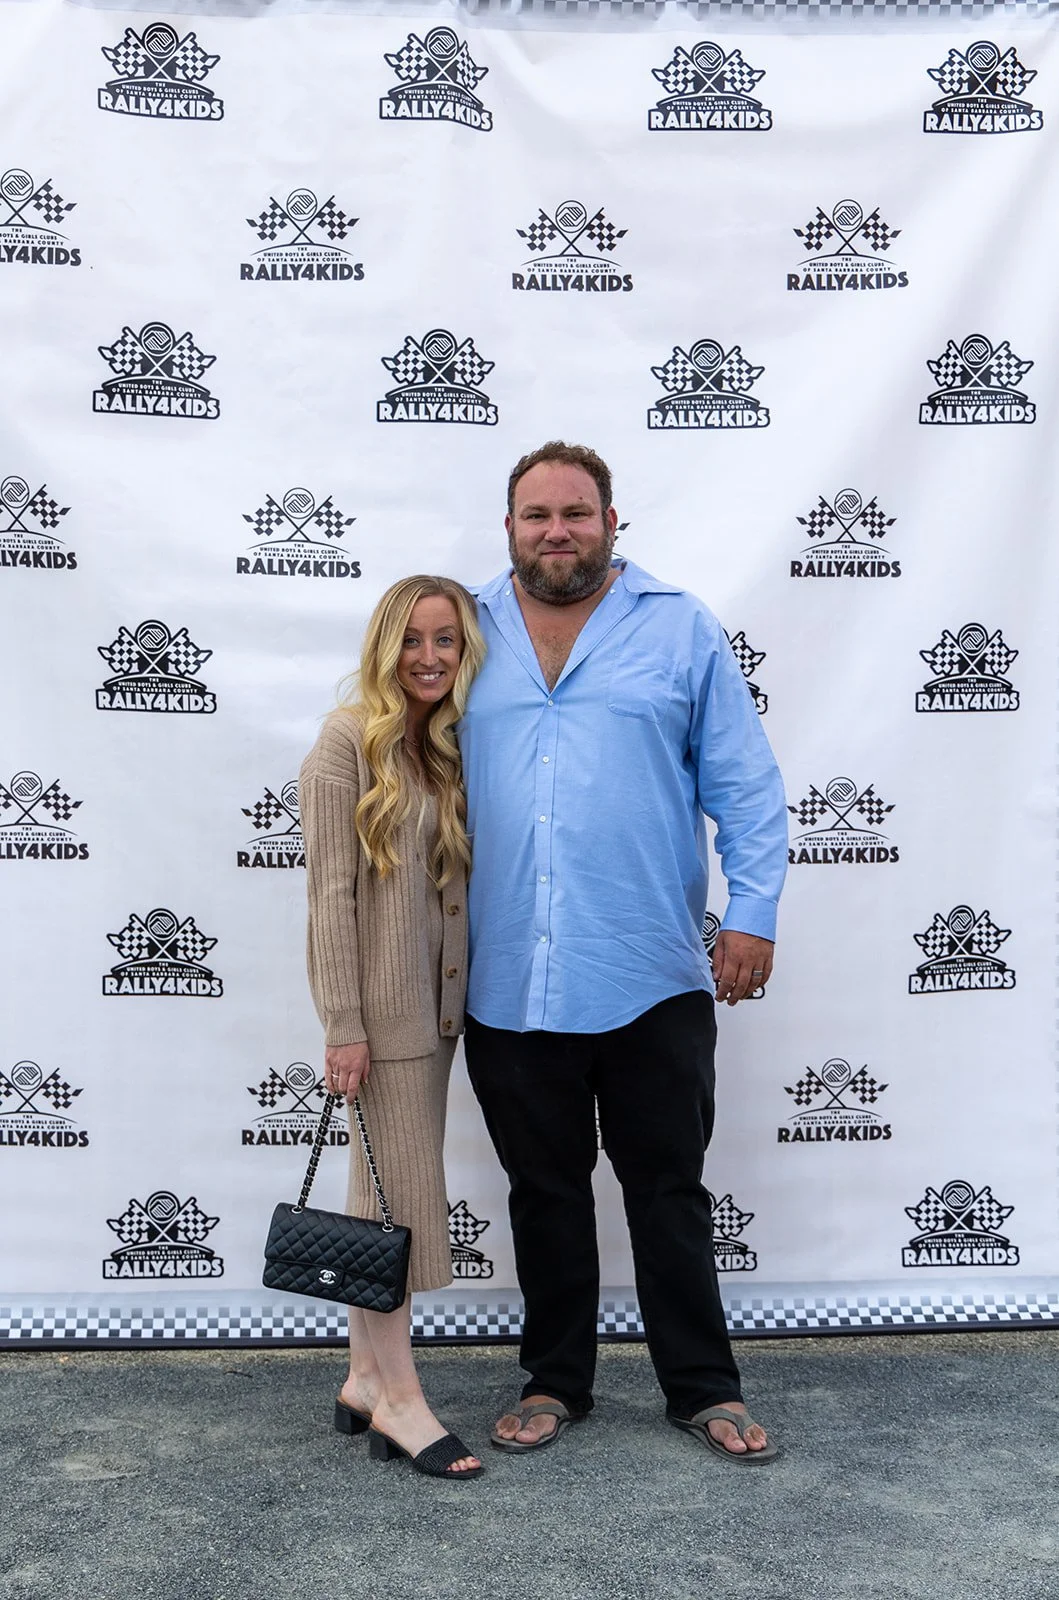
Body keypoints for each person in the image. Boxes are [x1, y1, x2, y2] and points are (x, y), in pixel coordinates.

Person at [458, 443, 787, 1463]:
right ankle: (555, 1380)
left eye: (577, 513)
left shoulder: (679, 627)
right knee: (544, 1195)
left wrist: (752, 911)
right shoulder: (462, 629)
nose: (556, 531)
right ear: (509, 528)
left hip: (649, 971)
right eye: (536, 515)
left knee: (668, 1192)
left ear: (611, 522)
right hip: (508, 975)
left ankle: (704, 1386)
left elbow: (745, 785)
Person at [299, 574, 486, 1480]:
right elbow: (329, 894)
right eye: (412, 639)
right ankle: (403, 1401)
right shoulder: (346, 741)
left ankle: (364, 1377)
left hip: (436, 1015)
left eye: (445, 640)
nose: (428, 657)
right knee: (400, 1210)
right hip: (381, 1021)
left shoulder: (440, 748)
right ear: (384, 646)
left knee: (376, 1200)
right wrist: (344, 1022)